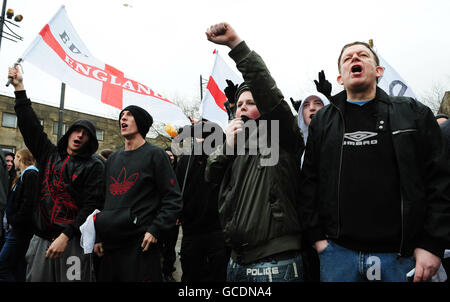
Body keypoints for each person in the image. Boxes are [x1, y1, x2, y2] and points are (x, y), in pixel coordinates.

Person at [300, 41, 450, 282]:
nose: (354, 59)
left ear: (379, 71)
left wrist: (432, 244)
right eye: (347, 58)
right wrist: (318, 240)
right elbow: (309, 182)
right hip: (338, 255)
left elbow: (440, 181)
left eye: (362, 55)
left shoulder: (413, 113)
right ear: (340, 78)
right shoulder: (323, 121)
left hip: (400, 256)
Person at [205, 23, 305, 282]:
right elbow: (210, 175)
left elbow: (266, 88)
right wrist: (227, 146)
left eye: (251, 102)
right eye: (239, 105)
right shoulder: (232, 145)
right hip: (236, 260)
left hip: (275, 261)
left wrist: (236, 46)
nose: (243, 108)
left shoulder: (280, 135)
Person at [8, 66, 105, 282]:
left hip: (73, 245)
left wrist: (66, 235)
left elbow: (91, 206)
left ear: (90, 141)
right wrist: (19, 88)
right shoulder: (48, 154)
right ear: (69, 134)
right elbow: (30, 125)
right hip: (41, 240)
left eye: (86, 134)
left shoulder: (94, 166)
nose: (80, 136)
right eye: (77, 131)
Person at [93, 105, 183, 282]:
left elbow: (172, 198)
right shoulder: (113, 159)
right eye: (122, 116)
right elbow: (104, 201)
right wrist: (99, 236)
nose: (123, 119)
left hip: (140, 246)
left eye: (129, 115)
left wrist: (155, 230)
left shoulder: (156, 155)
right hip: (109, 246)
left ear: (140, 122)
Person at [176, 119, 228, 282]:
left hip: (218, 230)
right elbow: (177, 189)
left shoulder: (222, 157)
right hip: (191, 232)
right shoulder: (186, 160)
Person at [0, 149, 38, 282]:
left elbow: (28, 203)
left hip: (19, 231)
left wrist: (15, 221)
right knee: (18, 267)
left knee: (2, 266)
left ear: (20, 158)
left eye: (15, 158)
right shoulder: (24, 175)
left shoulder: (31, 174)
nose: (13, 162)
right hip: (16, 229)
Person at [160, 146, 180, 282]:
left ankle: (167, 272)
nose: (169, 157)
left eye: (171, 155)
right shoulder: (157, 172)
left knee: (170, 247)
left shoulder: (179, 173)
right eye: (167, 155)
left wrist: (179, 215)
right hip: (158, 217)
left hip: (173, 218)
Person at [297, 92, 330, 166]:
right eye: (306, 105)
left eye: (318, 103)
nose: (312, 108)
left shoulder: (341, 143)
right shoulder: (299, 151)